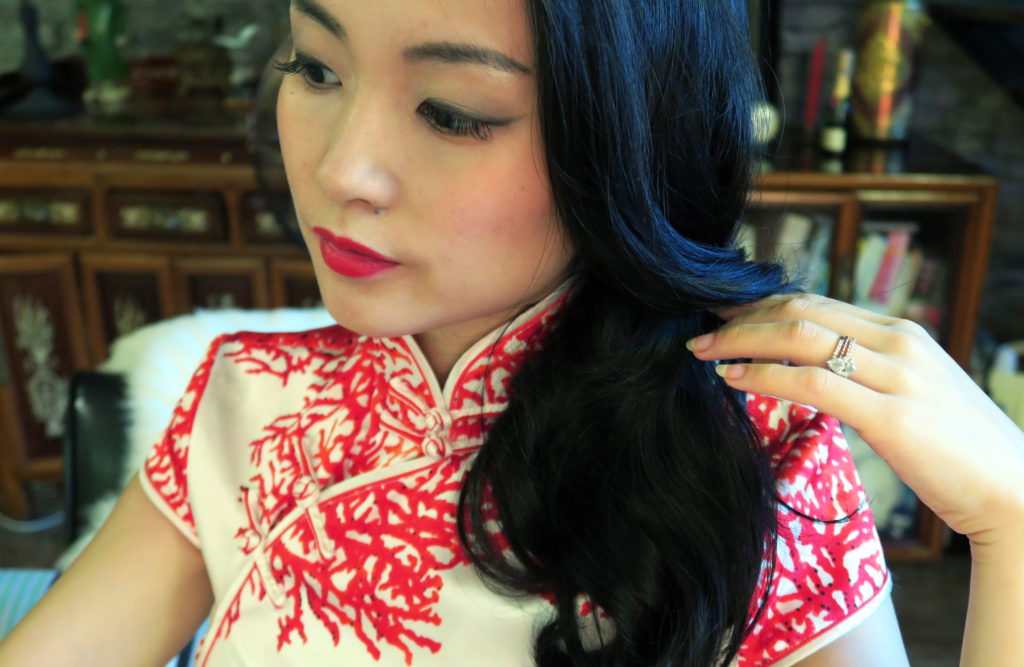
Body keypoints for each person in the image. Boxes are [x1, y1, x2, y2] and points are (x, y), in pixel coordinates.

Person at [2, 0, 1022, 665]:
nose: (342, 167)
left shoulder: (757, 455)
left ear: (629, 136)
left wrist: (1010, 523)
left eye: (451, 111)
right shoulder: (242, 405)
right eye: (314, 68)